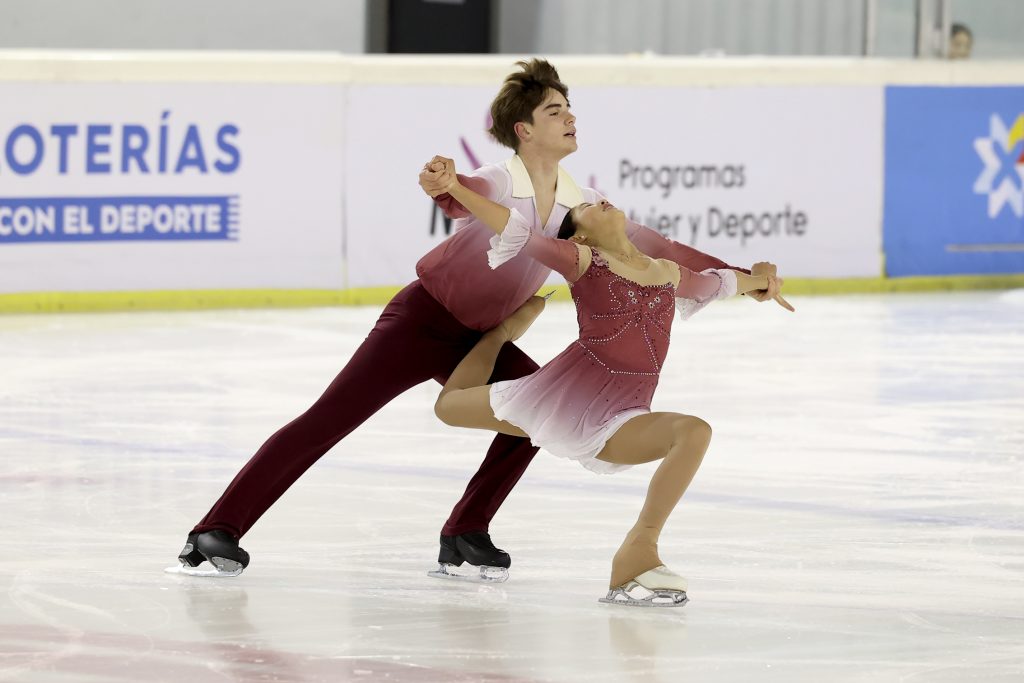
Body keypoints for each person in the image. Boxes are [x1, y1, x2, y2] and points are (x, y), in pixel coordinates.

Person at [172, 58, 780, 581]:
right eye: (554, 111)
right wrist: (443, 184)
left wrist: (744, 277)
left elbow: (665, 250)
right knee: (329, 419)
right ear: (524, 130)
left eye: (570, 107)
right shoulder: (499, 180)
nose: (569, 117)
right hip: (421, 322)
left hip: (481, 334)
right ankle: (216, 528)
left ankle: (465, 531)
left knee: (536, 414)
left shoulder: (581, 200)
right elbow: (457, 192)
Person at [428, 156, 791, 605]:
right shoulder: (582, 259)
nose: (601, 203)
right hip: (564, 396)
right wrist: (460, 191)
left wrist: (761, 278)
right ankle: (500, 333)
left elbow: (721, 284)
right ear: (579, 233)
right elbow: (513, 227)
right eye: (588, 208)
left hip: (621, 415)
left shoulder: (670, 273)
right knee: (449, 407)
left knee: (693, 432)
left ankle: (639, 554)